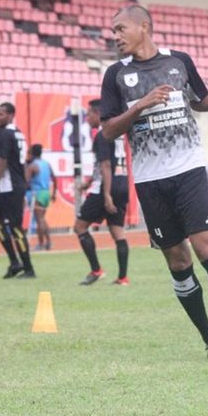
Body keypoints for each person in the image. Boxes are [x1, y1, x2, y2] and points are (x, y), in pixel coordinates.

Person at [100, 5, 208, 361]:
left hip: (189, 169)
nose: (116, 36)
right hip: (151, 178)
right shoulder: (115, 75)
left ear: (145, 26)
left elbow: (200, 101)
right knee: (177, 260)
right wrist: (140, 106)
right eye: (113, 32)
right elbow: (108, 129)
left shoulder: (179, 61)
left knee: (205, 246)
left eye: (121, 29)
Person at [74, 100, 131, 286]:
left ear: (98, 114)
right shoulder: (119, 134)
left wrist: (106, 195)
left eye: (89, 114)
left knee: (80, 227)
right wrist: (88, 182)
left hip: (105, 189)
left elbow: (106, 166)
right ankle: (123, 278)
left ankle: (96, 270)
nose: (87, 118)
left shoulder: (102, 135)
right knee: (118, 232)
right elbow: (105, 165)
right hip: (122, 185)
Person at [0, 102, 36, 279]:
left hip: (11, 186)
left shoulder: (6, 134)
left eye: (1, 114)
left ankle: (28, 268)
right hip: (10, 185)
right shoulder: (17, 132)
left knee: (15, 227)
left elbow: (2, 162)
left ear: (11, 115)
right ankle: (15, 263)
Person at [25, 144, 56, 251]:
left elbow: (26, 181)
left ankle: (41, 243)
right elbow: (54, 178)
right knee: (42, 219)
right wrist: (54, 193)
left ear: (32, 153)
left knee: (39, 220)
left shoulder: (32, 166)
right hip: (46, 192)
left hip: (37, 193)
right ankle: (48, 242)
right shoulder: (46, 164)